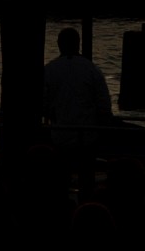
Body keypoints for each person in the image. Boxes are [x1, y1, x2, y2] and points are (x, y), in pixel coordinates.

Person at [42, 27, 113, 178]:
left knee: (61, 174)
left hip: (60, 134)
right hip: (87, 135)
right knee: (86, 175)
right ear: (78, 43)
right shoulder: (92, 69)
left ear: (59, 44)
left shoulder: (49, 70)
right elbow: (104, 104)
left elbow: (42, 102)